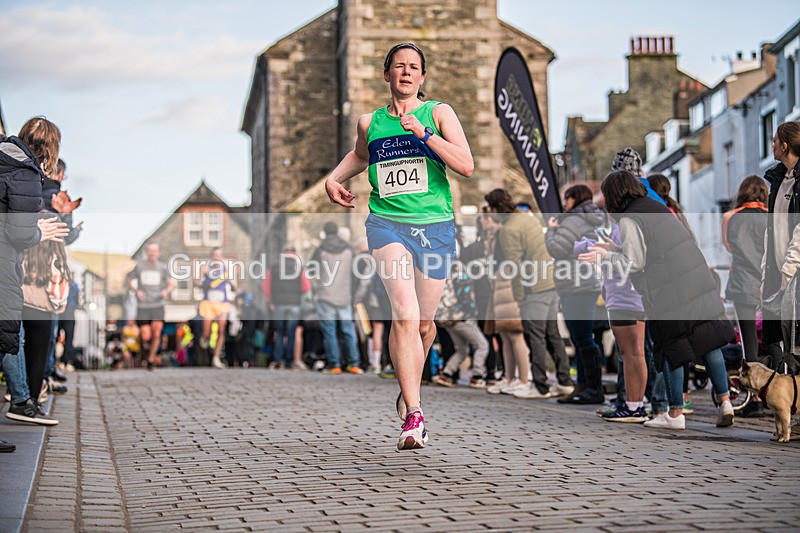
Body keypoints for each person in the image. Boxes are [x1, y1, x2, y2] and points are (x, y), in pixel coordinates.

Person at [323, 42, 473, 450]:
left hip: (435, 227)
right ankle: (414, 412)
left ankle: (410, 384)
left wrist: (425, 135)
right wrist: (334, 179)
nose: (406, 72)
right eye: (399, 66)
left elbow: (465, 165)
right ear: (387, 73)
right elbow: (360, 156)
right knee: (404, 315)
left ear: (422, 76)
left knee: (423, 324)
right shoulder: (369, 121)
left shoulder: (438, 113)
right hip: (387, 225)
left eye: (413, 67)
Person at [583, 170, 736, 430]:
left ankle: (674, 414)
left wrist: (605, 257)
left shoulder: (629, 218)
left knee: (672, 346)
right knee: (707, 339)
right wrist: (614, 249)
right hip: (696, 278)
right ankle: (725, 402)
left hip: (669, 288)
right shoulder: (655, 207)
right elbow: (652, 247)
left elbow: (634, 262)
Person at [2, 117, 68, 427]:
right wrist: (40, 231)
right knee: (9, 335)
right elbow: (18, 234)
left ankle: (21, 399)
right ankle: (21, 401)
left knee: (11, 335)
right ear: (49, 148)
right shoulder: (25, 172)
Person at [486, 189, 573, 399]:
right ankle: (565, 381)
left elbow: (514, 267)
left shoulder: (509, 229)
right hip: (550, 282)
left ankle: (540, 386)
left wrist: (518, 296)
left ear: (496, 209)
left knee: (535, 337)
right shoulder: (528, 218)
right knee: (552, 335)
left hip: (533, 288)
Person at [575, 224, 648, 422]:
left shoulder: (625, 225)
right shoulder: (628, 224)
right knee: (636, 354)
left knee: (630, 354)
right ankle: (635, 405)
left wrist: (604, 255)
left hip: (624, 296)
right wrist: (609, 251)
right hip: (632, 296)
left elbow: (630, 261)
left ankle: (633, 407)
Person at [545, 184, 605, 404]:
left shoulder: (573, 220)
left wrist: (551, 230)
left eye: (566, 198)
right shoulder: (588, 219)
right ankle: (583, 387)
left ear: (574, 199)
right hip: (584, 283)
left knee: (582, 339)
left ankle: (592, 388)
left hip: (576, 285)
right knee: (581, 339)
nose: (564, 203)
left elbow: (556, 249)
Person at [310, 222, 362, 375]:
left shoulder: (320, 249)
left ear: (325, 232)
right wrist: (353, 293)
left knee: (330, 332)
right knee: (348, 331)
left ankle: (335, 365)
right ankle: (354, 364)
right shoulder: (349, 249)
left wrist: (317, 286)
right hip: (345, 295)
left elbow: (311, 271)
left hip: (325, 295)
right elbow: (357, 273)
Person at [263, 245, 311, 370]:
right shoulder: (299, 267)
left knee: (279, 333)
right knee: (291, 334)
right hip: (294, 304)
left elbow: (266, 286)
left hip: (278, 304)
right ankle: (289, 361)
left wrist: (270, 301)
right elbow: (306, 287)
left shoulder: (274, 267)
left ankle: (278, 360)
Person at [128, 241, 173, 370]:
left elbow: (171, 284)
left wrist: (166, 291)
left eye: (155, 251)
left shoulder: (162, 267)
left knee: (157, 332)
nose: (152, 253)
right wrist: (136, 291)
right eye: (150, 251)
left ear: (158, 253)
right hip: (143, 306)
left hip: (158, 304)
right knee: (146, 335)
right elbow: (129, 280)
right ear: (147, 252)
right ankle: (145, 354)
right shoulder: (140, 266)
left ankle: (151, 359)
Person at [197, 247, 235, 369]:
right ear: (211, 257)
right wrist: (202, 275)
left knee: (221, 329)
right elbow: (197, 283)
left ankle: (216, 357)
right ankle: (205, 339)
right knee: (207, 332)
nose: (217, 257)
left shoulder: (226, 270)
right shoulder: (206, 268)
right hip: (208, 303)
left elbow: (234, 287)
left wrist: (231, 282)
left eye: (219, 255)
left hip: (222, 303)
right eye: (215, 255)